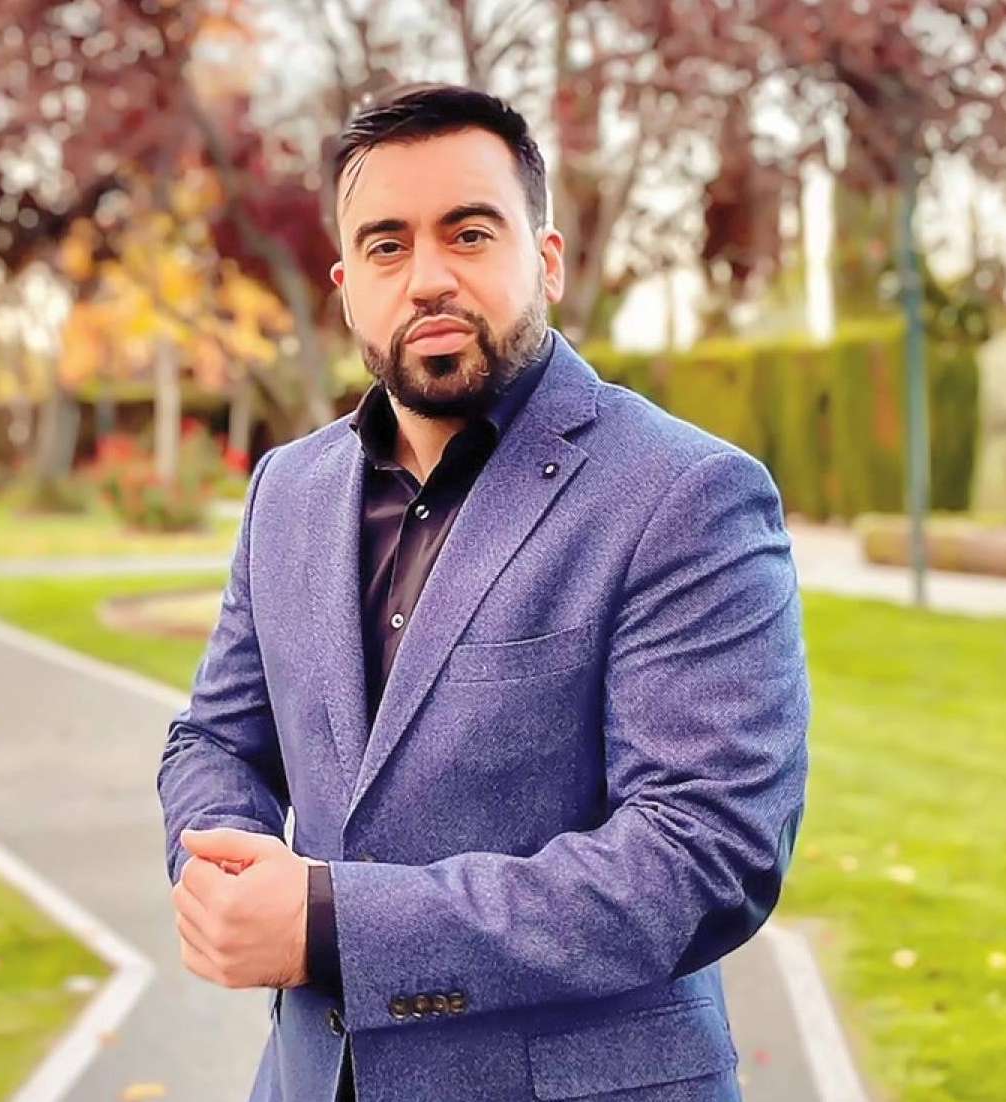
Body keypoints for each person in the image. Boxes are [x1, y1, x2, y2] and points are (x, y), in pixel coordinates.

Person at [157, 83, 809, 1102]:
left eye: (468, 233)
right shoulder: (288, 489)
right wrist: (220, 866)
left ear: (544, 259)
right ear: (346, 287)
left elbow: (701, 855)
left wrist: (331, 925)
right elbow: (215, 739)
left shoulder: (684, 494)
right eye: (386, 245)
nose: (428, 278)